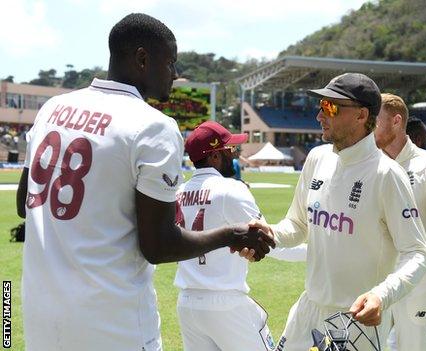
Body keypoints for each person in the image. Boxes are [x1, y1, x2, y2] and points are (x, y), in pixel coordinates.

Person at [15, 13, 273, 351]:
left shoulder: (53, 107)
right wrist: (232, 233)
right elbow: (158, 245)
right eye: (170, 62)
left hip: (41, 316)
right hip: (113, 323)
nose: (175, 74)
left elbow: (25, 203)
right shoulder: (153, 126)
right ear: (142, 59)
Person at [255, 73, 426, 351]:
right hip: (309, 308)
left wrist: (380, 296)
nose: (319, 115)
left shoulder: (387, 174)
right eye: (321, 106)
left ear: (362, 115)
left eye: (330, 107)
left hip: (355, 321)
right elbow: (299, 224)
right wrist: (270, 234)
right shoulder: (317, 158)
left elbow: (418, 254)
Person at [174, 121, 305, 351]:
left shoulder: (179, 193)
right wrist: (320, 253)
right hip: (225, 302)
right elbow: (271, 242)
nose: (233, 155)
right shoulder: (231, 189)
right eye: (229, 150)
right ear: (214, 156)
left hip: (188, 303)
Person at [374, 93, 426, 351]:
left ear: (397, 121)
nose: (368, 127)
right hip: (374, 275)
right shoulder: (368, 165)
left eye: (375, 121)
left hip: (419, 279)